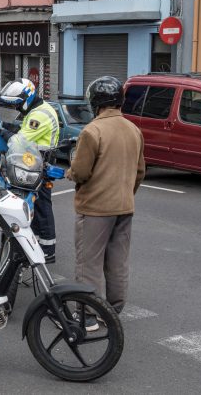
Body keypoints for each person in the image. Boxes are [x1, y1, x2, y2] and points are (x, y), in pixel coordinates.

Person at [67, 76, 145, 331]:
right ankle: (111, 310)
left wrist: (70, 173)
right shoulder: (134, 129)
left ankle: (87, 315)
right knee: (117, 262)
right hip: (124, 206)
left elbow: (81, 172)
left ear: (96, 103)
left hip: (95, 208)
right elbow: (140, 171)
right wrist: (126, 193)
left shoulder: (92, 131)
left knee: (88, 262)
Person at [0, 78, 60, 263]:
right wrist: (5, 125)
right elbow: (23, 129)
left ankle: (47, 249)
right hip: (32, 163)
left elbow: (19, 140)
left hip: (40, 164)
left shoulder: (40, 115)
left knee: (41, 205)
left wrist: (0, 131)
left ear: (27, 98)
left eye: (18, 104)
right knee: (34, 206)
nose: (17, 108)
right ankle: (35, 244)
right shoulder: (36, 110)